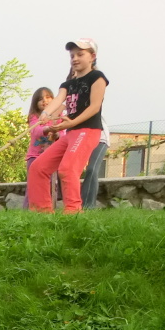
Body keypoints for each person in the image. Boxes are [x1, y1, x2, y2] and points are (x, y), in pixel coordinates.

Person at [28, 39, 108, 214]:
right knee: (37, 168)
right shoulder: (68, 84)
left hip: (88, 130)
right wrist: (45, 114)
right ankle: (41, 212)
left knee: (67, 168)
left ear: (92, 56)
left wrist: (72, 122)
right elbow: (58, 99)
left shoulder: (97, 77)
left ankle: (73, 211)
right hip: (71, 133)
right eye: (72, 56)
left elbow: (94, 107)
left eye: (80, 54)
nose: (75, 58)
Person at [23, 87, 57, 209]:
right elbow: (35, 131)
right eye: (40, 99)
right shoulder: (34, 117)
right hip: (35, 156)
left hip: (52, 157)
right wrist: (47, 129)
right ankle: (28, 208)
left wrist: (57, 133)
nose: (44, 101)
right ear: (35, 103)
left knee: (51, 184)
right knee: (33, 185)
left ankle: (48, 208)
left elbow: (63, 134)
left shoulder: (57, 117)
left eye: (48, 97)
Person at [80, 117, 109, 209]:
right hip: (81, 139)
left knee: (92, 169)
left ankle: (88, 205)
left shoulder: (93, 107)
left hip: (100, 139)